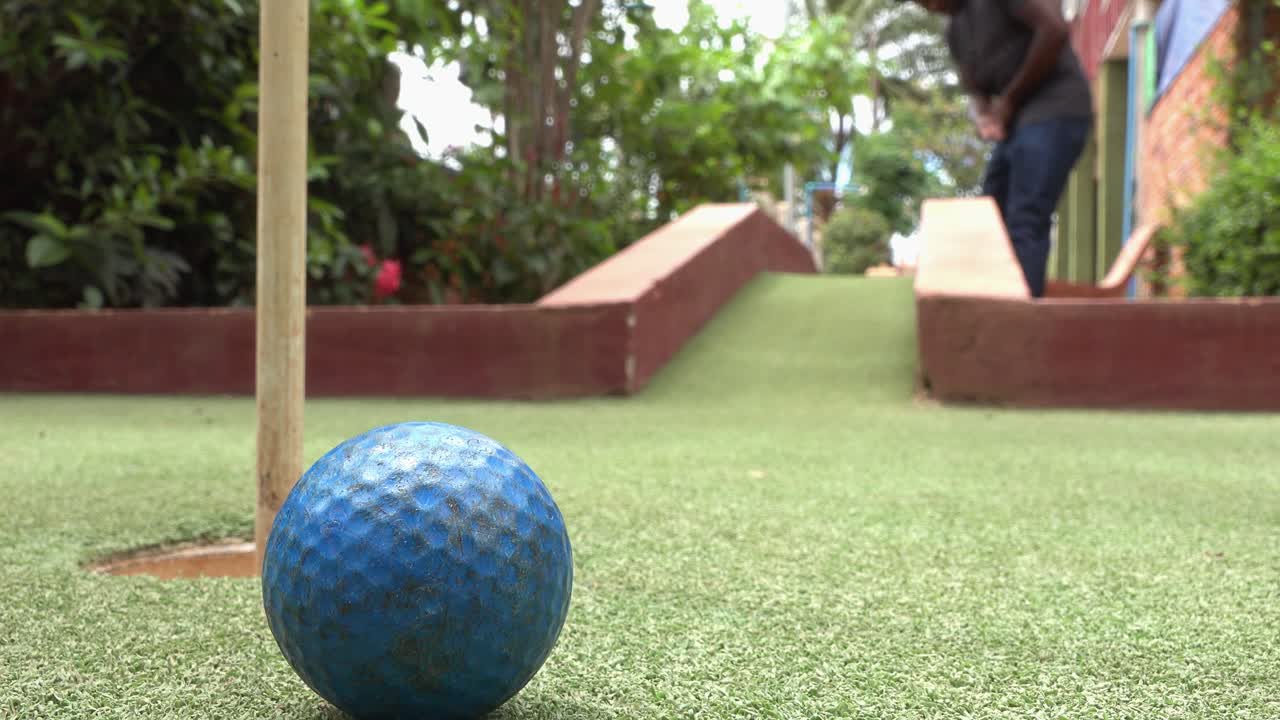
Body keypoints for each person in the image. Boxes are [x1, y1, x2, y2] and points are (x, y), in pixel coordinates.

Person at [904, 0, 1094, 297]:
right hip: (1017, 124)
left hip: (1058, 110)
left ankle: (1019, 321)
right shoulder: (956, 32)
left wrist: (1008, 102)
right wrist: (983, 116)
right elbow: (974, 89)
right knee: (990, 218)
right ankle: (991, 307)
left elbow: (1054, 30)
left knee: (1025, 218)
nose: (929, 7)